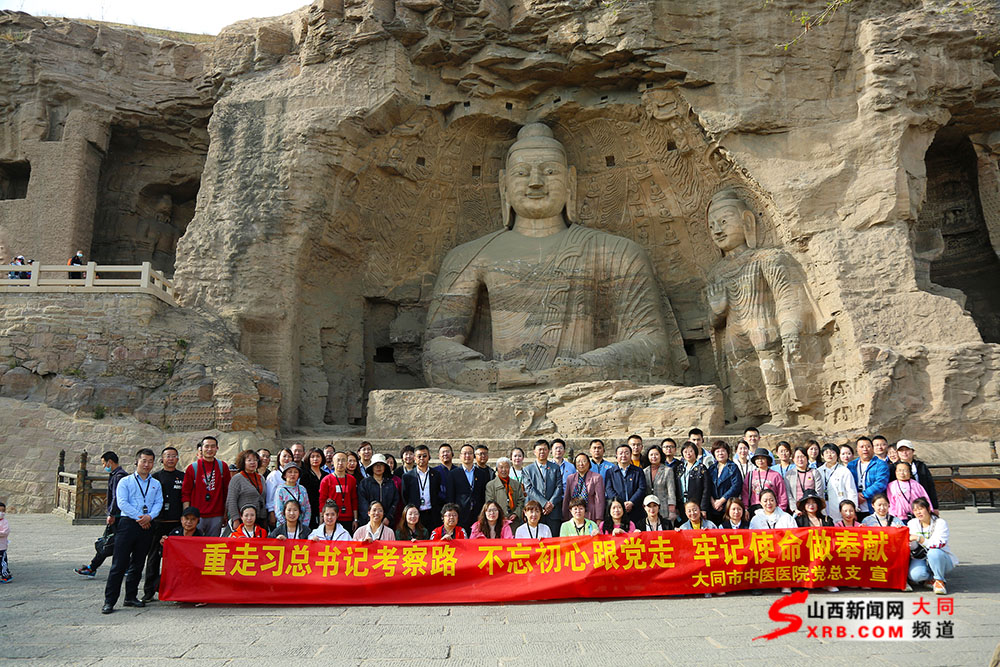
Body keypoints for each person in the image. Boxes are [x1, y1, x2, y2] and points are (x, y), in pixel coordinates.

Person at [102, 449, 163, 614]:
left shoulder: (155, 484)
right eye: (144, 460)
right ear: (137, 462)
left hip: (147, 525)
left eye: (150, 461)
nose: (147, 464)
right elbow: (122, 503)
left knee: (138, 564)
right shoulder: (126, 481)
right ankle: (109, 601)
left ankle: (130, 596)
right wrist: (140, 517)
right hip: (128, 524)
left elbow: (159, 503)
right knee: (119, 564)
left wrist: (149, 517)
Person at [141, 446, 185, 602]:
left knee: (176, 560)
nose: (171, 459)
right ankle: (149, 591)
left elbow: (185, 499)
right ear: (162, 459)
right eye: (168, 456)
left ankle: (175, 590)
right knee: (153, 557)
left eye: (174, 456)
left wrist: (185, 520)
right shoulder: (154, 478)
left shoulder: (182, 477)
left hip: (176, 523)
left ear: (178, 459)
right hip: (157, 523)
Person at [76, 451, 129, 578]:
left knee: (108, 543)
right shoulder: (116, 475)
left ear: (110, 462)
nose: (104, 466)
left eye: (104, 463)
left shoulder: (119, 477)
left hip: (118, 516)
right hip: (118, 516)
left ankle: (94, 567)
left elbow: (117, 497)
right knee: (111, 543)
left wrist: (111, 514)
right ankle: (93, 567)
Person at [181, 435, 231, 537]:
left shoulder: (223, 466)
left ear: (217, 448)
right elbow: (186, 493)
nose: (209, 449)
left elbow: (227, 491)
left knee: (212, 547)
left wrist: (226, 513)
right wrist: (187, 514)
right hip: (196, 515)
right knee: (194, 546)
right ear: (201, 448)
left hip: (216, 514)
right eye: (206, 446)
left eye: (213, 446)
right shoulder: (192, 468)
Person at [908, 498, 957, 595]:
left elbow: (939, 543)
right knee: (915, 575)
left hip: (941, 558)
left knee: (934, 552)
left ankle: (939, 580)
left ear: (929, 508)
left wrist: (919, 539)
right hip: (922, 557)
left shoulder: (940, 523)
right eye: (915, 510)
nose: (918, 512)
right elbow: (913, 547)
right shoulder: (912, 523)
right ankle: (930, 579)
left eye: (921, 508)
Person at [522, 440, 564, 535]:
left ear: (549, 451)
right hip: (535, 512)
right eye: (540, 449)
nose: (542, 452)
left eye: (545, 449)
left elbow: (559, 486)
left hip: (553, 512)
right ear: (534, 452)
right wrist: (544, 504)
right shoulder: (527, 470)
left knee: (553, 541)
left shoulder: (555, 467)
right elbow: (529, 489)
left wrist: (551, 503)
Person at [447, 445, 490, 533]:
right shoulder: (453, 474)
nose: (467, 456)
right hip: (460, 512)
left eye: (470, 453)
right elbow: (450, 495)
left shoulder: (481, 474)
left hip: (477, 513)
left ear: (473, 456)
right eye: (465, 453)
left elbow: (483, 495)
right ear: (460, 456)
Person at [604, 443, 646, 527]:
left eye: (626, 453)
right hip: (617, 510)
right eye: (621, 453)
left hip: (635, 509)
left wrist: (631, 502)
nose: (623, 455)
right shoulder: (610, 472)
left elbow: (642, 488)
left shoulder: (638, 471)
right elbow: (609, 489)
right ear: (616, 456)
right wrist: (621, 504)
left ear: (630, 455)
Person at [225, 449, 267, 534]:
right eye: (249, 460)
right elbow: (231, 500)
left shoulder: (261, 478)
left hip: (259, 518)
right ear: (243, 462)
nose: (252, 462)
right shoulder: (237, 478)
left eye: (255, 460)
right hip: (243, 519)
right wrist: (235, 519)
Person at [403, 445, 444, 530]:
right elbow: (404, 496)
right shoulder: (407, 476)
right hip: (415, 514)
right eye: (419, 456)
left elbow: (439, 493)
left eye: (424, 456)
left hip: (432, 513)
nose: (422, 458)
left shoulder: (436, 474)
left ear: (429, 457)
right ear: (414, 458)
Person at [847, 436, 889, 519]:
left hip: (873, 506)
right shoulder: (851, 465)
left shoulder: (880, 464)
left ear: (872, 448)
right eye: (861, 447)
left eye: (868, 446)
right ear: (857, 449)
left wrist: (863, 495)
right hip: (855, 507)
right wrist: (854, 497)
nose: (865, 449)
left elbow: (880, 484)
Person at [319, 452, 359, 534]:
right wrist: (322, 518)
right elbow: (322, 500)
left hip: (348, 518)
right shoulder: (326, 480)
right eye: (338, 460)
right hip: (332, 518)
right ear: (333, 463)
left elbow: (354, 499)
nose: (340, 463)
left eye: (343, 460)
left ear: (347, 462)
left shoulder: (352, 479)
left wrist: (355, 519)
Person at [892, 440, 939, 508]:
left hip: (921, 502)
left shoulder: (921, 466)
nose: (904, 453)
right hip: (901, 505)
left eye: (907, 450)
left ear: (913, 451)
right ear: (897, 452)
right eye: (901, 450)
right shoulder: (893, 467)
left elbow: (930, 486)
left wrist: (934, 506)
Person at [741, 447, 788, 515]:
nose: (760, 460)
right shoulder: (750, 474)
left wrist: (781, 509)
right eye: (757, 458)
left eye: (763, 458)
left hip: (772, 508)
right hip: (754, 507)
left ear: (767, 460)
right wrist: (745, 508)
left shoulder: (776, 475)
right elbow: (745, 493)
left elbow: (782, 494)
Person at [818, 443, 856, 523]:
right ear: (822, 455)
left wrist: (853, 510)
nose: (829, 455)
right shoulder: (818, 471)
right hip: (823, 508)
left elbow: (851, 491)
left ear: (837, 455)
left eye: (832, 452)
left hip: (840, 508)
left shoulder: (844, 471)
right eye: (826, 452)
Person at [564, 452, 606, 523]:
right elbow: (567, 498)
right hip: (574, 514)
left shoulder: (597, 477)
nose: (581, 464)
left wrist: (599, 518)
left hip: (590, 514)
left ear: (589, 463)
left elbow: (599, 500)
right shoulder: (570, 478)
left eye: (584, 461)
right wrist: (565, 516)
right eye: (578, 462)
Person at [358, 454, 399, 527]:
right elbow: (362, 503)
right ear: (372, 467)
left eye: (381, 465)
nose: (378, 467)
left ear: (385, 467)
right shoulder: (364, 483)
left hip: (387, 523)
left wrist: (388, 517)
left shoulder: (390, 483)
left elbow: (395, 502)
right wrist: (371, 518)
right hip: (368, 523)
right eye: (376, 465)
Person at [706, 440, 741, 525]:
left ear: (727, 452)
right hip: (712, 507)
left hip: (727, 506)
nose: (720, 453)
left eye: (723, 451)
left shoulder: (733, 467)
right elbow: (707, 486)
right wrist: (713, 502)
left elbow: (736, 487)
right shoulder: (711, 468)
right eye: (717, 451)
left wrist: (721, 501)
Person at [485, 457, 525, 528]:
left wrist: (516, 513)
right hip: (497, 521)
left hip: (514, 521)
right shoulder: (491, 485)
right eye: (501, 467)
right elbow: (489, 503)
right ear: (497, 469)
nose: (504, 470)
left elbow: (521, 501)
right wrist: (500, 516)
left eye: (506, 467)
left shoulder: (516, 484)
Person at [784, 446, 825, 514]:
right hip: (797, 511)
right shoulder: (789, 474)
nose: (800, 459)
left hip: (813, 510)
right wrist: (795, 509)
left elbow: (819, 492)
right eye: (797, 457)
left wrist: (814, 507)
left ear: (807, 458)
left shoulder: (814, 472)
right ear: (793, 459)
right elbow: (788, 494)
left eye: (803, 456)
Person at [642, 444, 676, 526]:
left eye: (656, 454)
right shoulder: (644, 471)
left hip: (664, 508)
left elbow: (671, 492)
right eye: (651, 455)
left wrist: (671, 510)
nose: (654, 457)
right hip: (649, 509)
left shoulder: (667, 470)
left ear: (661, 456)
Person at [675, 441, 711, 516]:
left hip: (696, 505)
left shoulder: (701, 468)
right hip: (682, 504)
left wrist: (703, 508)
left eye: (691, 451)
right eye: (685, 451)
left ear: (695, 452)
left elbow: (706, 489)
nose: (688, 454)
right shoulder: (680, 468)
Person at [273, 463, 311, 528]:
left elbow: (307, 508)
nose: (293, 474)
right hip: (284, 527)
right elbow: (278, 510)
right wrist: (288, 526)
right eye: (290, 472)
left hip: (301, 526)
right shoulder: (280, 490)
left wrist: (304, 525)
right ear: (284, 475)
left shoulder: (302, 489)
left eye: (295, 472)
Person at [265, 447, 293, 526]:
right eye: (284, 456)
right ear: (279, 458)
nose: (287, 459)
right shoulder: (274, 475)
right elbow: (269, 496)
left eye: (289, 456)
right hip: (277, 513)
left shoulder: (294, 474)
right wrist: (271, 512)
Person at [300, 448, 327, 529]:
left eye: (318, 456)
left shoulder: (326, 475)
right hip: (310, 509)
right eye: (312, 456)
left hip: (324, 508)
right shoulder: (304, 475)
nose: (315, 459)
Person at [0, 501, 9, 583]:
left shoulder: (5, 522)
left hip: (2, 546)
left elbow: (5, 532)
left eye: (3, 511)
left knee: (3, 561)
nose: (1, 513)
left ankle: (5, 575)